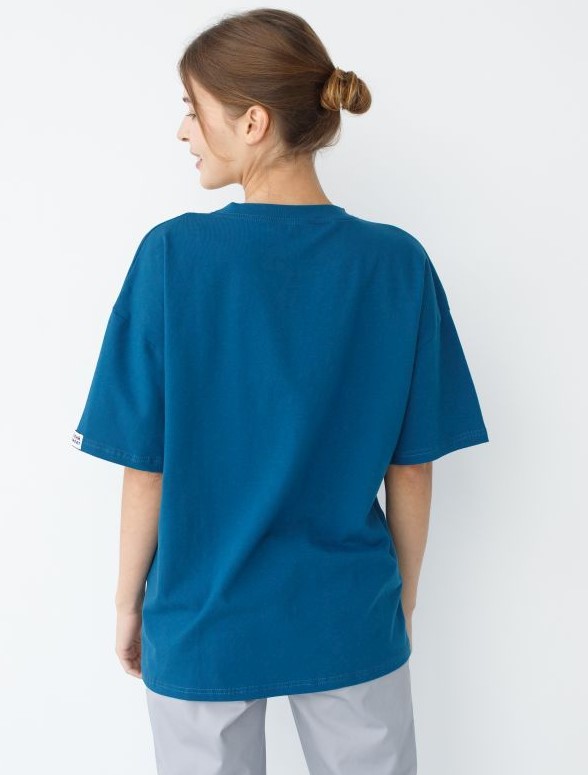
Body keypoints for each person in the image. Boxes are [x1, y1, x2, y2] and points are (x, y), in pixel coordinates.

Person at [71, 8, 489, 774]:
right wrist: (399, 601)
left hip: (200, 617)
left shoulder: (171, 257)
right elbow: (412, 467)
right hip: (347, 612)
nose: (184, 131)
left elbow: (146, 469)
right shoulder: (396, 264)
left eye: (192, 109)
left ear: (253, 121)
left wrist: (128, 604)